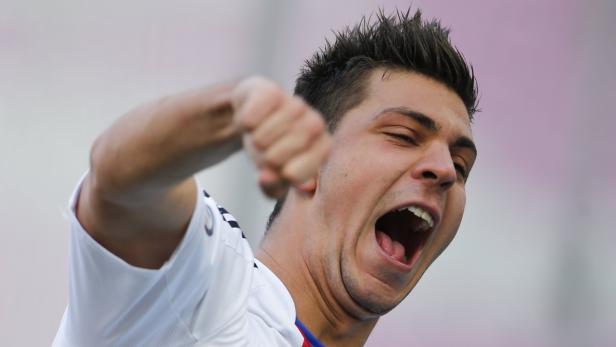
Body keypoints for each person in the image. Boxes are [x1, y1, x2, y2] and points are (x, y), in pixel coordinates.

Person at [53, 8, 478, 347]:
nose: (444, 170)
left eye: (460, 167)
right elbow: (119, 178)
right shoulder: (207, 293)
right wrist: (233, 110)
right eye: (404, 136)